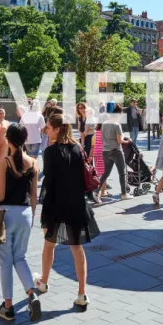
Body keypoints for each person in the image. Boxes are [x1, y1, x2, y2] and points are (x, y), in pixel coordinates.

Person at [0, 124, 42, 322]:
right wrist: (31, 216)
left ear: (8, 139)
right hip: (25, 213)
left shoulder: (4, 162)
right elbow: (33, 195)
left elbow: (1, 195)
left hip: (6, 214)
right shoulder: (34, 163)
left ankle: (8, 306)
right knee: (20, 257)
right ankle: (31, 293)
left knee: (5, 261)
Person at [36, 113, 98, 309]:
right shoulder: (78, 148)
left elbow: (49, 181)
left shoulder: (50, 151)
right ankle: (82, 293)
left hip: (55, 204)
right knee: (77, 248)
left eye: (48, 127)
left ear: (57, 129)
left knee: (49, 244)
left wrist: (42, 204)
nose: (46, 130)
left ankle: (44, 282)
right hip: (76, 203)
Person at [97, 104, 131, 202]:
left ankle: (96, 191)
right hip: (116, 151)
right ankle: (124, 194)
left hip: (106, 151)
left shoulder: (104, 124)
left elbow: (103, 139)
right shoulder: (117, 125)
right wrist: (128, 141)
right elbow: (120, 141)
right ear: (119, 115)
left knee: (106, 173)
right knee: (122, 173)